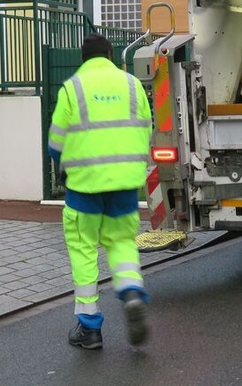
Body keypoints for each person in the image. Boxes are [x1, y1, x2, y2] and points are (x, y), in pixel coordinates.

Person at [48, 33, 153, 349]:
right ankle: (131, 293)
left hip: (85, 186)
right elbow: (146, 129)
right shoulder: (132, 85)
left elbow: (55, 143)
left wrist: (64, 166)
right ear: (109, 55)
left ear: (83, 58)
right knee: (121, 243)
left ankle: (89, 326)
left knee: (84, 250)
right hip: (125, 186)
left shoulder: (73, 88)